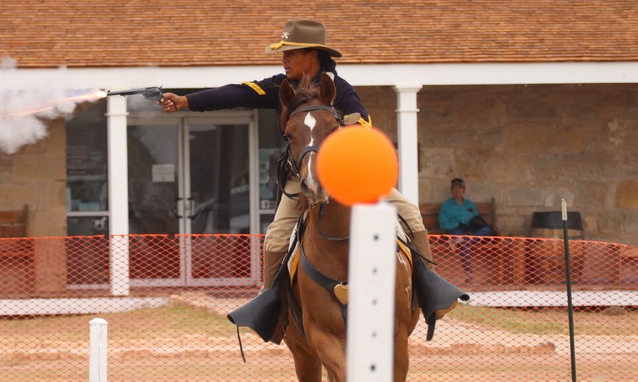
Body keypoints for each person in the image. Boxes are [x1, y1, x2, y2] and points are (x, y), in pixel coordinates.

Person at [160, 18, 434, 293]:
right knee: (276, 237)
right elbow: (237, 93)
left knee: (410, 212)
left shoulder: (340, 88)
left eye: (290, 53)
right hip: (300, 176)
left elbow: (363, 126)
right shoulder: (282, 87)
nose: (284, 59)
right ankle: (268, 304)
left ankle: (431, 288)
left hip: (349, 177)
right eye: (284, 53)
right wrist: (187, 101)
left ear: (312, 55)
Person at [438, 178, 493, 281]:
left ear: (464, 190)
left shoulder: (470, 204)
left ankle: (459, 241)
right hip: (456, 230)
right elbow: (443, 224)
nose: (457, 190)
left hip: (470, 232)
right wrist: (458, 224)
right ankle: (468, 273)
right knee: (465, 243)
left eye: (460, 188)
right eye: (455, 188)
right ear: (451, 190)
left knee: (487, 230)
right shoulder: (446, 205)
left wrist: (472, 227)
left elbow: (476, 219)